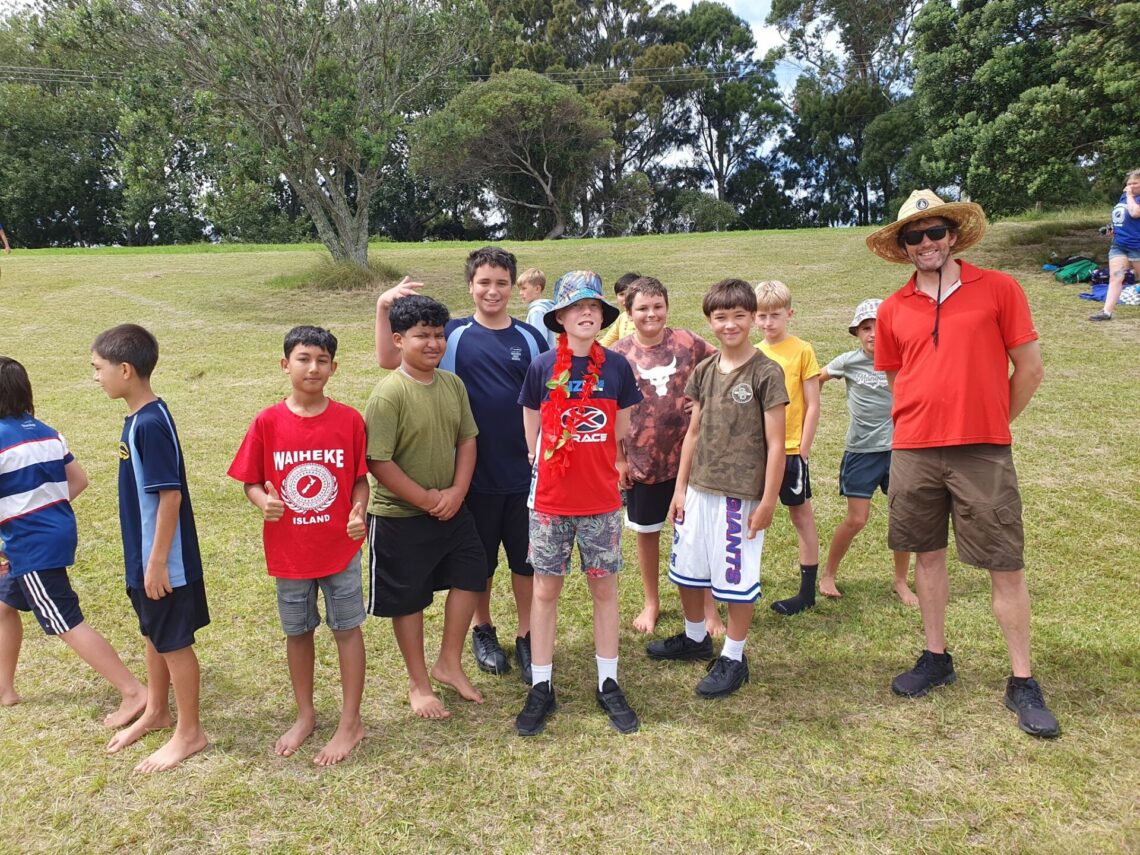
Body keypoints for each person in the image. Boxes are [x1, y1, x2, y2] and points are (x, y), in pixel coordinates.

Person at [866, 188, 1059, 738]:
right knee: (926, 555)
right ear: (904, 246)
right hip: (914, 451)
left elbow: (1030, 369)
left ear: (952, 236)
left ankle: (1022, 680)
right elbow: (897, 380)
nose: (926, 242)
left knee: (1005, 562)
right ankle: (936, 657)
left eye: (935, 231)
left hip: (982, 450)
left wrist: (992, 422)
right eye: (914, 236)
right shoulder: (892, 308)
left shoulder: (998, 288)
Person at [376, 249, 548, 684]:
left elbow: (549, 393)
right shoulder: (450, 334)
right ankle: (483, 629)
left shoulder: (531, 337)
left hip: (524, 474)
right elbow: (390, 359)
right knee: (479, 563)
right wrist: (382, 307)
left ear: (513, 287)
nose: (492, 291)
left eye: (501, 282)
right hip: (469, 477)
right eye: (484, 282)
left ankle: (527, 634)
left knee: (526, 561)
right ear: (470, 286)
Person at [227, 326, 369, 766]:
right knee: (298, 631)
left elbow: (360, 480)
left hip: (339, 549)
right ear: (285, 365)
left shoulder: (349, 420)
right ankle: (305, 714)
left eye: (322, 360)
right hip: (290, 552)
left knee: (347, 629)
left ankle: (351, 721)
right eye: (304, 359)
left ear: (334, 367)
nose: (313, 368)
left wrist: (359, 512)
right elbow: (250, 481)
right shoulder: (267, 422)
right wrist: (262, 501)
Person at [515, 271, 643, 735]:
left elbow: (621, 429)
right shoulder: (542, 366)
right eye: (576, 307)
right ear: (561, 318)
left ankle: (608, 682)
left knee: (604, 591)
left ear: (602, 316)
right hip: (550, 502)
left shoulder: (618, 367)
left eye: (593, 307)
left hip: (601, 501)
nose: (586, 313)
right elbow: (531, 427)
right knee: (545, 591)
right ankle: (541, 686)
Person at [647, 278, 787, 697]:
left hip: (739, 496)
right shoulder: (704, 371)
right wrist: (680, 489)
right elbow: (692, 433)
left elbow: (776, 443)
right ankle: (695, 638)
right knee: (688, 570)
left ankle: (734, 657)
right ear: (709, 321)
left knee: (735, 579)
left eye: (739, 316)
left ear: (752, 318)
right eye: (721, 317)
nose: (730, 325)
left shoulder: (766, 372)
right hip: (698, 489)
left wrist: (768, 501)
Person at [0, 357, 147, 723]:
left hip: (28, 545)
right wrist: (45, 507)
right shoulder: (46, 432)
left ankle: (134, 691)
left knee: (65, 620)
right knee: (3, 606)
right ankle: (5, 688)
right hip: (56, 535)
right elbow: (78, 480)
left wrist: (27, 517)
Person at [91, 324, 210, 772]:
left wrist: (157, 562)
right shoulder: (139, 418)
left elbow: (170, 497)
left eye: (98, 368)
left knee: (174, 643)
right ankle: (158, 710)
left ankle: (190, 732)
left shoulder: (151, 424)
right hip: (145, 557)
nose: (96, 377)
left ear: (125, 369)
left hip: (164, 562)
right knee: (153, 633)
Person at [366, 294, 486, 720]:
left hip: (452, 507)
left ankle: (449, 662)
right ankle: (419, 682)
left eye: (439, 335)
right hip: (399, 516)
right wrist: (426, 498)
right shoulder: (389, 394)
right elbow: (378, 461)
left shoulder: (452, 385)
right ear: (399, 340)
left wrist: (457, 492)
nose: (433, 343)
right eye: (422, 336)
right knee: (408, 598)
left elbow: (467, 439)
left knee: (473, 573)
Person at [609, 277, 721, 635]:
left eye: (658, 306)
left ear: (667, 308)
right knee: (647, 533)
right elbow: (611, 410)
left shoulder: (687, 342)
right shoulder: (618, 356)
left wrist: (702, 398)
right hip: (642, 461)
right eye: (642, 308)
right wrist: (620, 460)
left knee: (696, 534)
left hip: (690, 459)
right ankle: (651, 601)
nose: (651, 314)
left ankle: (709, 607)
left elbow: (722, 363)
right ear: (629, 313)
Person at [816, 300, 916, 605]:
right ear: (856, 333)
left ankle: (901, 581)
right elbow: (816, 379)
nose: (873, 333)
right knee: (857, 519)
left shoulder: (904, 359)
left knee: (903, 518)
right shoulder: (848, 362)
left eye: (879, 327)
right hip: (861, 451)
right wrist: (809, 409)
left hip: (900, 450)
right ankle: (828, 574)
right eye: (866, 328)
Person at [754, 280, 821, 616]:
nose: (768, 322)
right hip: (758, 452)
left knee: (801, 515)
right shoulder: (752, 353)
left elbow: (813, 403)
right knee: (750, 516)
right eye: (762, 316)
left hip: (792, 450)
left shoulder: (803, 350)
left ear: (789, 314)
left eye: (775, 315)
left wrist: (803, 449)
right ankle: (746, 582)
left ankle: (807, 592)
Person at [1089, 169, 1140, 321]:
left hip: (1137, 246)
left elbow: (1135, 213)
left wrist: (1130, 196)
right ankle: (1106, 312)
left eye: (1135, 183)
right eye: (1129, 183)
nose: (1130, 186)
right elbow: (1124, 218)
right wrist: (1112, 229)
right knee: (1116, 277)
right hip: (1119, 245)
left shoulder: (1131, 197)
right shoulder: (1124, 197)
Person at [597, 271, 640, 346]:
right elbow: (606, 342)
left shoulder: (647, 319)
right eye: (621, 294)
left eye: (629, 294)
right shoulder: (623, 317)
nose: (625, 298)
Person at [518, 267, 557, 348]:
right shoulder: (540, 310)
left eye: (524, 288)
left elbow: (538, 342)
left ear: (537, 289)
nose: (520, 293)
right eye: (520, 289)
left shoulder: (537, 312)